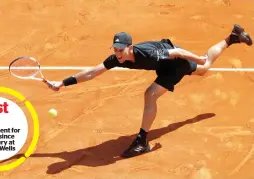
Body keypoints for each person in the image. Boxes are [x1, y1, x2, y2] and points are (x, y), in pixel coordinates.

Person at [47, 24, 252, 158]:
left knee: (152, 93)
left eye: (121, 49)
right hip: (163, 65)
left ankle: (142, 141)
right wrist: (62, 83)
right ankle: (232, 38)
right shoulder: (116, 59)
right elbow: (92, 73)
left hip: (175, 64)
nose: (118, 53)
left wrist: (198, 59)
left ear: (130, 47)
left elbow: (177, 52)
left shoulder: (147, 53)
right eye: (115, 49)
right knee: (203, 70)